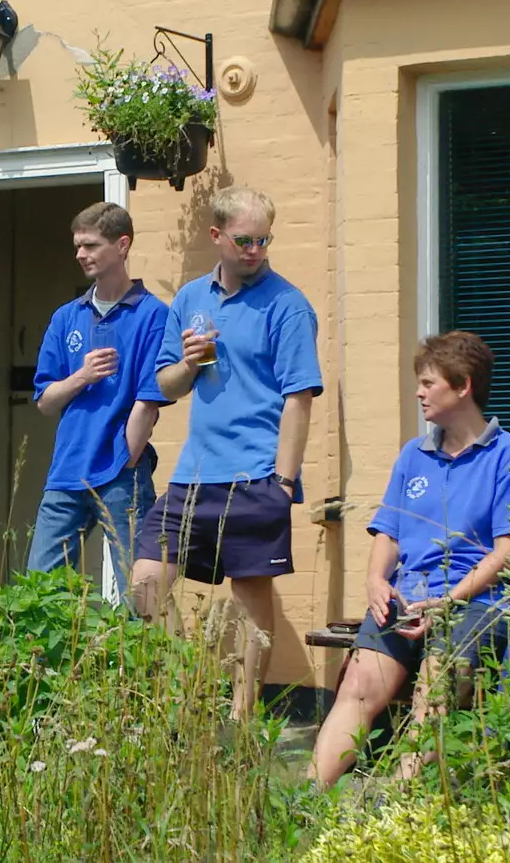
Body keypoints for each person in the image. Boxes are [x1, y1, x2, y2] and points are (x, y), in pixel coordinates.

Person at [309, 332, 510, 788]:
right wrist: (376, 580)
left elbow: (508, 550)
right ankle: (309, 799)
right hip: (406, 595)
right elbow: (388, 533)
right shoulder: (413, 455)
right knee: (358, 686)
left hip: (475, 603)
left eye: (428, 383)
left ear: (463, 386)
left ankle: (393, 804)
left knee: (434, 690)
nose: (418, 392)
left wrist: (448, 602)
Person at [131, 185, 323, 721]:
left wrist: (283, 484)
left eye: (264, 240)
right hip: (194, 474)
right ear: (216, 237)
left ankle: (241, 715)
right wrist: (189, 364)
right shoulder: (190, 300)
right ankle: (188, 688)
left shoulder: (287, 305)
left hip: (257, 472)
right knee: (146, 583)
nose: (256, 250)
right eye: (244, 240)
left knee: (247, 599)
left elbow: (299, 397)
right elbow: (166, 386)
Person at [26, 202, 168, 598]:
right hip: (66, 471)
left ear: (122, 245)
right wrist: (82, 376)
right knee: (40, 590)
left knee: (138, 591)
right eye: (77, 246)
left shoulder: (154, 315)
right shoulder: (66, 317)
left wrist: (129, 456)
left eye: (90, 245)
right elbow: (46, 402)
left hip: (122, 473)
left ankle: (135, 660)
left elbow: (149, 400)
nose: (80, 254)